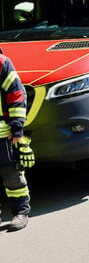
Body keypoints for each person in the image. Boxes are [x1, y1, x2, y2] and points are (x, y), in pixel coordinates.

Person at [0, 49, 32, 231]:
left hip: (3, 135)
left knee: (12, 176)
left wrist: (17, 125)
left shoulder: (2, 63)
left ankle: (21, 212)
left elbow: (17, 93)